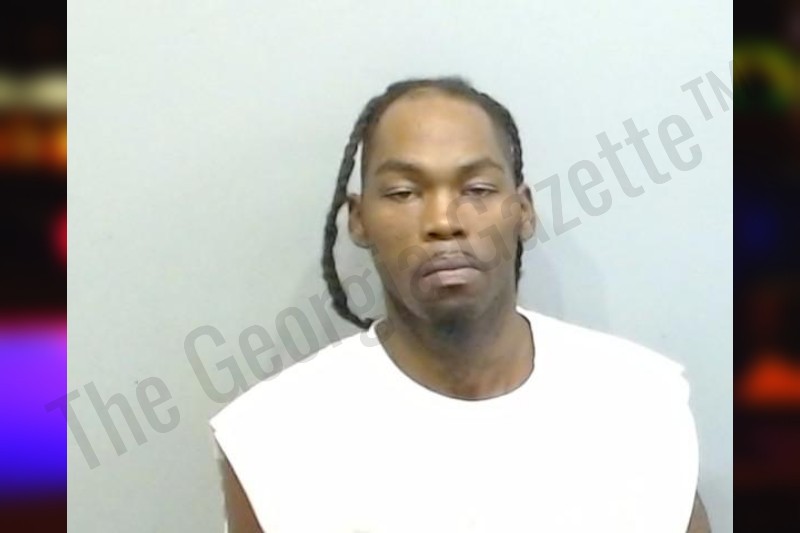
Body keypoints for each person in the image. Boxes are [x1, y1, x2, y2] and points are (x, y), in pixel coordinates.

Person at [210, 77, 711, 532]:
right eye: (403, 192)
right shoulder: (273, 437)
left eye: (477, 189)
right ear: (358, 220)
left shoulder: (640, 402)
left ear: (523, 210)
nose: (444, 221)